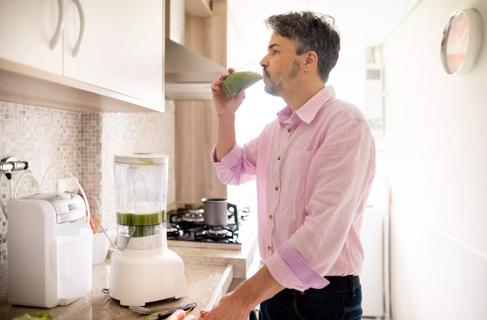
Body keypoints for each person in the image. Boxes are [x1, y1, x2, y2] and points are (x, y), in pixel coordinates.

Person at [201, 11, 376, 320]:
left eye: (275, 50)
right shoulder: (276, 130)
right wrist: (226, 115)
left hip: (324, 300)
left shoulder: (345, 125)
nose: (263, 61)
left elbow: (317, 239)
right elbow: (232, 169)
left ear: (308, 61)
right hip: (275, 291)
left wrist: (241, 299)